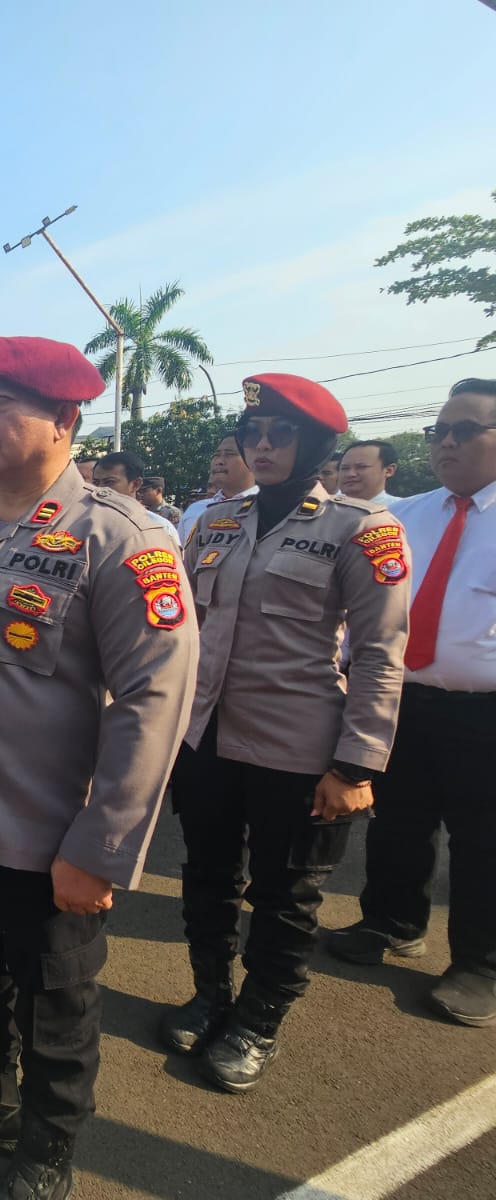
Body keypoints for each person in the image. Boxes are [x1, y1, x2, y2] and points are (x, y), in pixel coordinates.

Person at [0, 336, 198, 1200]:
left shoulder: (119, 537)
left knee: (56, 1001)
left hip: (48, 834)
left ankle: (48, 1148)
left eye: (3, 404)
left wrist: (102, 846)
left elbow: (155, 698)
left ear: (64, 420)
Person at [162, 374, 408, 1094]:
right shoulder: (215, 522)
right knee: (208, 876)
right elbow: (184, 629)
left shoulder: (361, 530)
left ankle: (259, 1017)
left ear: (318, 445)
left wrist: (356, 766)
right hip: (207, 738)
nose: (261, 447)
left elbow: (379, 653)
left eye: (281, 434)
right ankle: (210, 994)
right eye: (253, 434)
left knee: (287, 894)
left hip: (298, 748)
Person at [327, 378, 496, 1027]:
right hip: (405, 698)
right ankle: (391, 922)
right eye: (439, 431)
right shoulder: (404, 517)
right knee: (398, 820)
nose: (446, 443)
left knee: (483, 840)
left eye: (465, 430)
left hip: (485, 711)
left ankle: (480, 964)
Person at [178, 435, 258, 544]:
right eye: (216, 455)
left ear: (253, 460)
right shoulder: (197, 509)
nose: (219, 461)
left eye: (229, 454)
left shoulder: (267, 509)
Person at [92, 450, 180, 545]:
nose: (100, 489)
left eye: (109, 482)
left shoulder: (159, 527)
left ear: (135, 484)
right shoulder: (87, 523)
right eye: (96, 483)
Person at [337, 439, 400, 506]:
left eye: (361, 467)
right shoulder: (330, 508)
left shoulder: (400, 508)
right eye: (345, 468)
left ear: (389, 470)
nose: (350, 474)